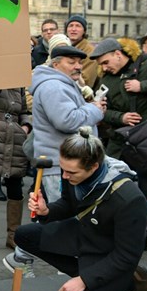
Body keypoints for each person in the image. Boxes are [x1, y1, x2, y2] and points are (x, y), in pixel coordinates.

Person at [3, 127, 147, 291]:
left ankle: (131, 280)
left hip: (112, 255)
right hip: (85, 235)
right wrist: (47, 211)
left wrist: (84, 280)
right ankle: (88, 277)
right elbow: (69, 204)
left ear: (94, 166)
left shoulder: (130, 198)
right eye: (63, 170)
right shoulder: (71, 169)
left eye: (71, 173)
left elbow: (127, 256)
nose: (65, 176)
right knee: (24, 235)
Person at [90, 36, 147, 256]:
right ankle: (113, 233)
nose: (103, 67)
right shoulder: (107, 78)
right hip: (120, 143)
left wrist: (143, 86)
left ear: (118, 54)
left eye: (105, 62)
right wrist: (121, 117)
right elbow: (99, 109)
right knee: (108, 185)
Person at [30, 45, 105, 203]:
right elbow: (67, 121)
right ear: (56, 65)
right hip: (61, 167)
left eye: (79, 62)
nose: (78, 66)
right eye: (71, 62)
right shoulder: (54, 87)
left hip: (66, 165)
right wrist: (94, 109)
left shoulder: (61, 84)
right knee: (62, 216)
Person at [0, 88, 31, 250]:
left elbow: (24, 110)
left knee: (15, 188)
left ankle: (13, 236)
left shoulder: (19, 85)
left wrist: (26, 126)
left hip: (15, 139)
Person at [64, 15, 100, 90]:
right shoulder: (64, 47)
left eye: (78, 26)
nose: (73, 29)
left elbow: (86, 81)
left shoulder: (90, 52)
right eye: (70, 26)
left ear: (84, 31)